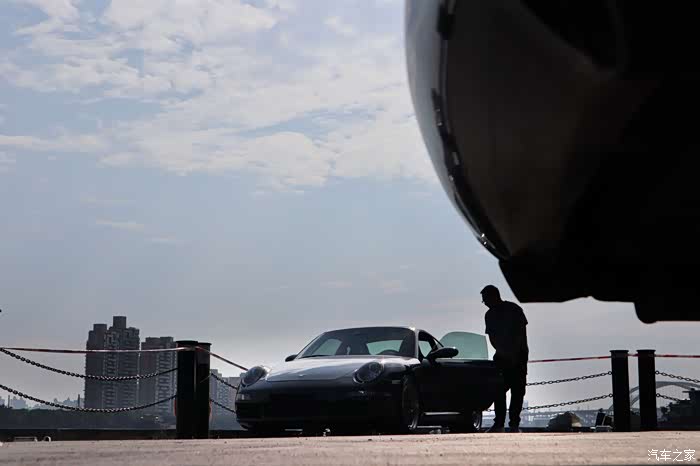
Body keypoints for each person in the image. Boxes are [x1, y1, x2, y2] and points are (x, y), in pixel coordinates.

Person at [481, 285, 528, 433]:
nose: (485, 303)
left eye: (485, 299)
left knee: (516, 391)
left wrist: (511, 353)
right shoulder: (491, 314)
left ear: (493, 296)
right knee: (500, 391)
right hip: (504, 357)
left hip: (518, 357)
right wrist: (504, 352)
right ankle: (501, 424)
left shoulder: (513, 310)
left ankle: (511, 424)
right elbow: (493, 338)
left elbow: (520, 334)